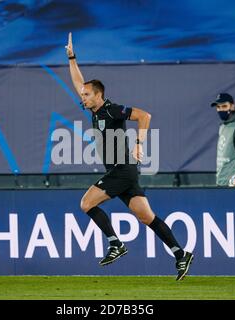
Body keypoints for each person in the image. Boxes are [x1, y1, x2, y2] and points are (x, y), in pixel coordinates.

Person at [65, 32, 193, 280]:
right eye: (82, 95)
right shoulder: (94, 109)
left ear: (98, 95)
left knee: (86, 203)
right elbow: (78, 82)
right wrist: (72, 57)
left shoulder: (111, 109)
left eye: (86, 95)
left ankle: (115, 244)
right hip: (123, 172)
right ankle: (181, 254)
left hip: (122, 169)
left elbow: (144, 116)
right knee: (147, 217)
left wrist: (138, 144)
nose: (82, 97)